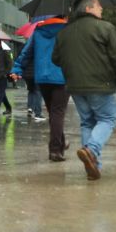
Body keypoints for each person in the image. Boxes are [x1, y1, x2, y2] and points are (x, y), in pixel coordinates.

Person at [51, 0, 116, 180]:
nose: (101, 9)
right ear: (88, 9)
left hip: (75, 87)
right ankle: (91, 149)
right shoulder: (104, 27)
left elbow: (55, 59)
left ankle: (93, 166)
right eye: (98, 6)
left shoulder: (64, 32)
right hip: (101, 84)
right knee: (107, 120)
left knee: (87, 122)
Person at [16, 16, 69, 160]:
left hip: (43, 77)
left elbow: (27, 52)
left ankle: (61, 142)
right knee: (57, 113)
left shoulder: (38, 31)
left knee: (54, 113)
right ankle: (55, 149)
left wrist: (17, 68)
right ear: (64, 17)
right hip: (61, 76)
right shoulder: (67, 30)